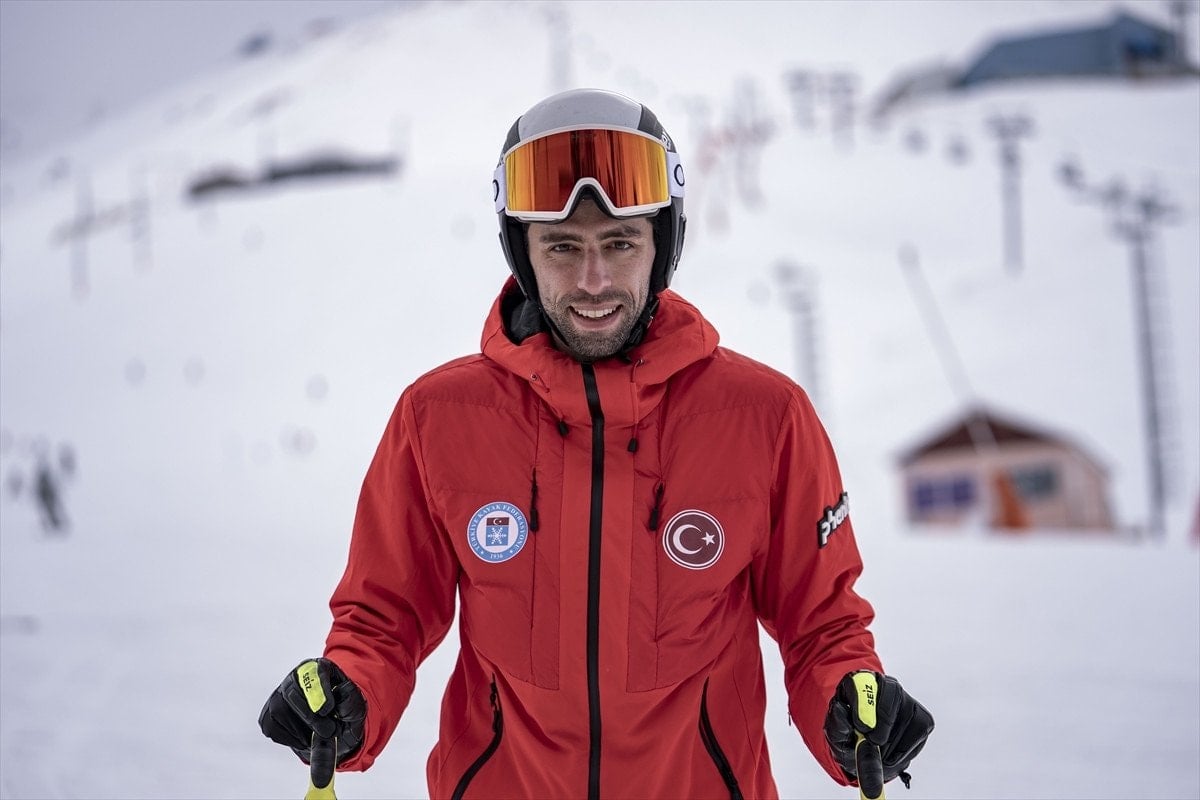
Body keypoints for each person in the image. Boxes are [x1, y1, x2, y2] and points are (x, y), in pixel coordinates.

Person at [259, 87, 933, 799]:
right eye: (562, 247)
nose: (593, 281)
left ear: (661, 246)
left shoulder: (765, 418)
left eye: (620, 243)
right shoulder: (438, 418)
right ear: (522, 253)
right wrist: (349, 691)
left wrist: (850, 702)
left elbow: (822, 624)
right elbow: (382, 618)